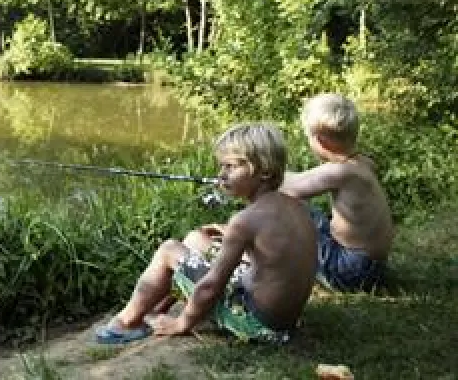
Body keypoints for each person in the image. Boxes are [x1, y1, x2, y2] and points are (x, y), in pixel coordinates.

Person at [96, 123, 317, 345]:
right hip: (286, 323)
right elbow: (275, 261)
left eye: (230, 167)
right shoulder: (297, 207)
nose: (222, 175)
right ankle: (156, 307)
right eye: (222, 167)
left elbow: (212, 286)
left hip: (258, 326)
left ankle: (127, 322)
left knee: (169, 250)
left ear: (265, 171)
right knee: (197, 240)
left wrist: (182, 323)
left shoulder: (245, 221)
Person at [281, 93, 394, 292]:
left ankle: (267, 264)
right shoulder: (361, 163)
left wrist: (257, 173)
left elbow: (290, 188)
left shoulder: (340, 171)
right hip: (371, 266)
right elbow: (300, 180)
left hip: (351, 271)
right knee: (306, 212)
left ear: (320, 141)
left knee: (287, 206)